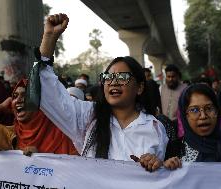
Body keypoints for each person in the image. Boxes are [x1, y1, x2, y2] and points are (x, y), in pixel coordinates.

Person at [36, 13, 168, 172]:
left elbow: (162, 176)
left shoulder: (154, 127)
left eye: (122, 77)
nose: (113, 82)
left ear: (139, 87)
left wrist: (156, 163)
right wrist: (49, 38)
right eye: (108, 77)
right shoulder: (88, 117)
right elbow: (48, 94)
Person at [145, 84, 221, 174]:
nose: (203, 116)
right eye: (194, 110)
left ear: (217, 111)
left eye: (209, 108)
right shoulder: (174, 149)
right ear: (185, 116)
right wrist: (165, 169)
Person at [0, 79, 78, 157]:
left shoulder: (65, 135)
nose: (18, 100)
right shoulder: (5, 134)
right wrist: (0, 107)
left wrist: (40, 158)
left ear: (41, 103)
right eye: (15, 96)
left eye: (25, 95)